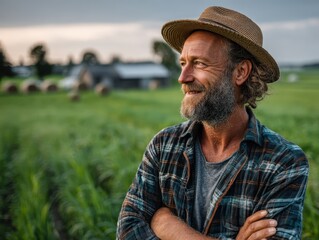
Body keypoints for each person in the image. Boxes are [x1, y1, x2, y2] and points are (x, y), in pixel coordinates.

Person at [116, 6, 309, 240]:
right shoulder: (164, 146)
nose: (183, 77)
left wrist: (168, 225)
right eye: (183, 62)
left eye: (199, 63)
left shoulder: (283, 162)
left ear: (240, 72)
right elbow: (128, 229)